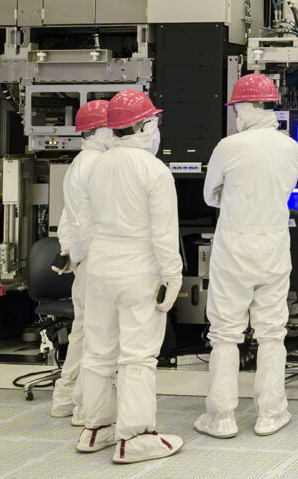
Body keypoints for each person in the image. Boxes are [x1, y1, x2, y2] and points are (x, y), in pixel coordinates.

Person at [75, 90, 184, 463]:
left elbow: (84, 224)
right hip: (139, 268)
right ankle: (134, 438)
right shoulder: (154, 170)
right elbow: (164, 233)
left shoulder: (98, 165)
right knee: (138, 355)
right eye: (154, 122)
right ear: (141, 126)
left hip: (100, 266)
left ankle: (96, 428)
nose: (156, 129)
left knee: (98, 350)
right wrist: (173, 276)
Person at [195, 74, 298, 439]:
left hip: (234, 244)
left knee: (225, 333)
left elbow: (211, 196)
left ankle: (221, 417)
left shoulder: (229, 146)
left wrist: (232, 193)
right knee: (272, 332)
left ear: (243, 107)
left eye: (236, 108)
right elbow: (283, 190)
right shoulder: (291, 148)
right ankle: (271, 414)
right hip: (273, 243)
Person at [51, 100, 113, 425]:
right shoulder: (97, 165)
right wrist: (88, 255)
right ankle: (83, 406)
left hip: (84, 259)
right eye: (113, 127)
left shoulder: (79, 162)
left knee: (82, 330)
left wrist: (71, 252)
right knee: (95, 334)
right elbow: (90, 221)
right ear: (98, 130)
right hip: (95, 259)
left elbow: (67, 217)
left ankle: (65, 397)